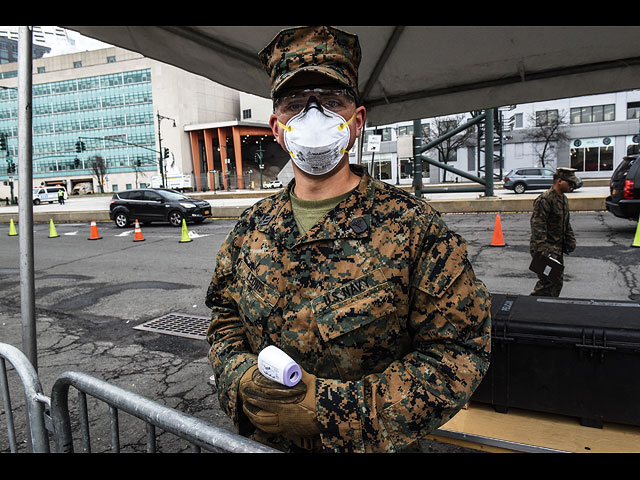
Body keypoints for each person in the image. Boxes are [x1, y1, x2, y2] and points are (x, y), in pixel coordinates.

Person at [204, 26, 491, 453]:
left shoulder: (414, 228)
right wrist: (239, 378)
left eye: (330, 100)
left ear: (355, 122)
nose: (312, 116)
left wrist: (332, 411)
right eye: (295, 104)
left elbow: (459, 352)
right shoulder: (251, 228)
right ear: (277, 128)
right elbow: (224, 322)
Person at [529, 167, 578, 296]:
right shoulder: (545, 200)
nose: (572, 186)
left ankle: (549, 307)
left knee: (556, 282)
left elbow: (565, 223)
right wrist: (543, 252)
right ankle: (530, 308)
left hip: (557, 249)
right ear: (560, 181)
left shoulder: (563, 199)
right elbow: (538, 226)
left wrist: (570, 241)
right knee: (547, 283)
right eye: (570, 183)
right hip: (546, 249)